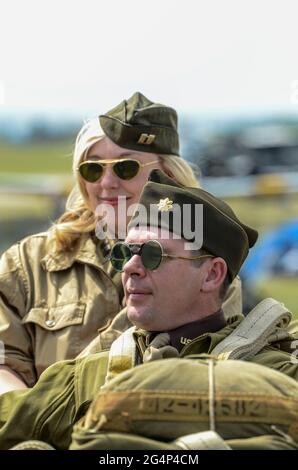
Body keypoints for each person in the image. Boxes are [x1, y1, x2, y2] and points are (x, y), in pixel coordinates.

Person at [0, 170, 296, 450]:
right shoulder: (83, 379)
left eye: (153, 254)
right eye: (124, 253)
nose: (129, 268)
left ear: (212, 275)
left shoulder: (279, 376)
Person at [0, 92, 242, 393]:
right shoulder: (26, 264)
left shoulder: (203, 264)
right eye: (93, 168)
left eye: (126, 167)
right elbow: (4, 363)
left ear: (168, 174)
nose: (107, 183)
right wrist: (36, 424)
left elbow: (211, 364)